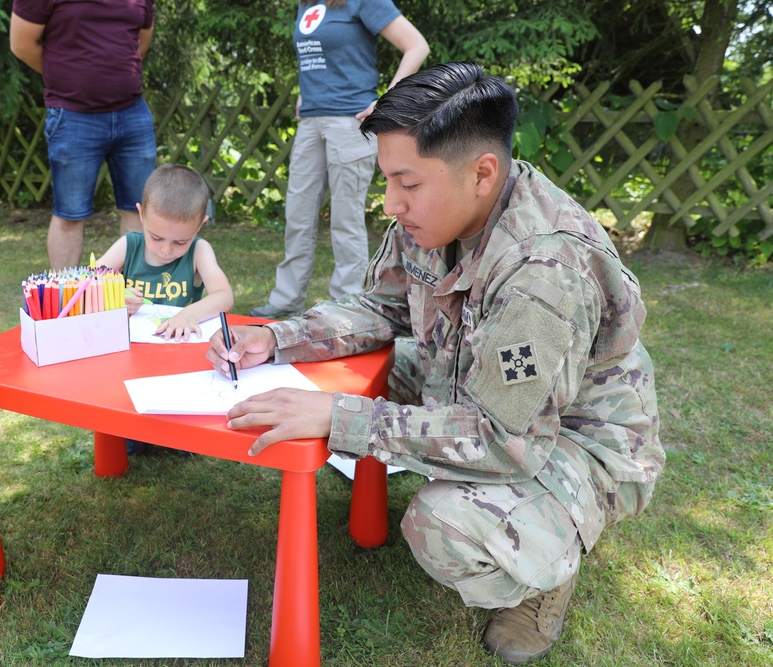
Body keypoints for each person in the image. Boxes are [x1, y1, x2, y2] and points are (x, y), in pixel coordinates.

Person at [209, 62, 664, 664]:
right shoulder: (432, 215)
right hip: (476, 387)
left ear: (482, 173)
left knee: (440, 524)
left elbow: (503, 441)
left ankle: (544, 571)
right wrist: (278, 338)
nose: (392, 203)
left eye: (407, 183)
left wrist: (342, 419)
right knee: (356, 369)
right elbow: (379, 309)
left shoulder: (544, 273)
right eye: (387, 181)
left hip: (575, 441)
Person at [250, 0, 429, 319]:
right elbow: (318, 60)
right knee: (297, 213)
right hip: (310, 122)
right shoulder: (307, 4)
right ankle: (287, 298)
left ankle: (347, 304)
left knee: (345, 219)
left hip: (350, 122)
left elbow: (416, 46)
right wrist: (307, 93)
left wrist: (386, 100)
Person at [9, 0, 157, 270]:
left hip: (132, 113)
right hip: (73, 117)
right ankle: (65, 307)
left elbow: (141, 40)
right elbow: (21, 44)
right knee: (69, 216)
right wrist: (66, 73)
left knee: (140, 211)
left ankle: (133, 302)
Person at [94, 163, 234, 342]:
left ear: (200, 225)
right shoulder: (129, 246)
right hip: (127, 344)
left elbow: (224, 295)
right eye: (156, 238)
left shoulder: (199, 251)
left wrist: (189, 315)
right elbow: (86, 284)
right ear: (141, 215)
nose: (166, 251)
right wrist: (113, 297)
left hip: (176, 345)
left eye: (181, 242)